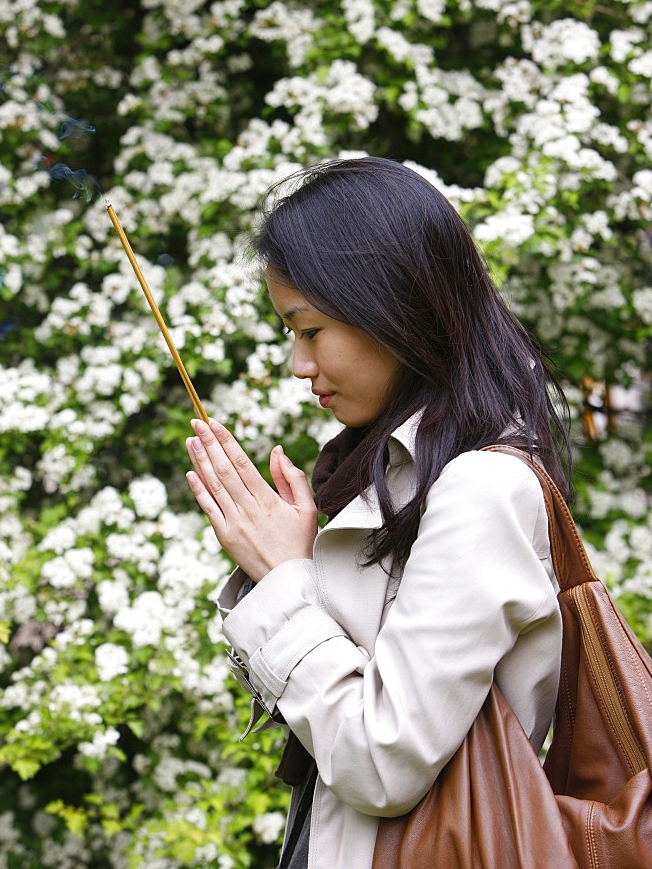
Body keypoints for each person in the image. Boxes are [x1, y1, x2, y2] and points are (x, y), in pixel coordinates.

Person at [184, 156, 571, 869]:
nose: (301, 366)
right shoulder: (391, 472)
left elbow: (381, 760)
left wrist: (284, 577)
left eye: (310, 330)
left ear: (394, 308)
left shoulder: (482, 487)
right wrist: (275, 569)